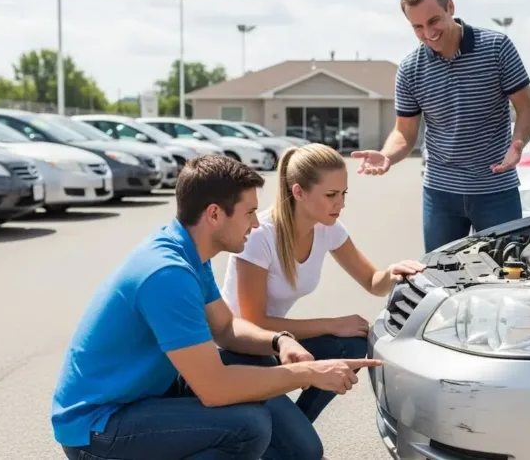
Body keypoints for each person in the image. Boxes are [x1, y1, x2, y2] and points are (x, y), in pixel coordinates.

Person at [50, 154, 381, 460]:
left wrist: (280, 340)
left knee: (289, 442)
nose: (255, 223)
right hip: (98, 427)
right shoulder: (168, 274)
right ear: (214, 214)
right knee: (248, 426)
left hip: (148, 393)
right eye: (249, 212)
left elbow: (226, 328)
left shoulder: (190, 253)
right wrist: (307, 373)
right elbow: (215, 389)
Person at [222, 143, 426, 423]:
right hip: (238, 349)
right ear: (298, 192)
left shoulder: (327, 228)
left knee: (353, 343)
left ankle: (297, 428)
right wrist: (331, 324)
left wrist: (394, 272)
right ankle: (291, 439)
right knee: (305, 448)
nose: (340, 204)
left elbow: (373, 282)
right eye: (331, 195)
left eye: (343, 194)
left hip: (277, 344)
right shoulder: (260, 235)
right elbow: (254, 322)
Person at [352, 0, 530, 253]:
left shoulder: (497, 47)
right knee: (442, 277)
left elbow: (527, 109)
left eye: (433, 20)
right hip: (440, 194)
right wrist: (387, 155)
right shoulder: (409, 70)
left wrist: (517, 143)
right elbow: (404, 132)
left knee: (508, 274)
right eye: (417, 27)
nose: (428, 33)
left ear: (450, 7)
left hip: (495, 190)